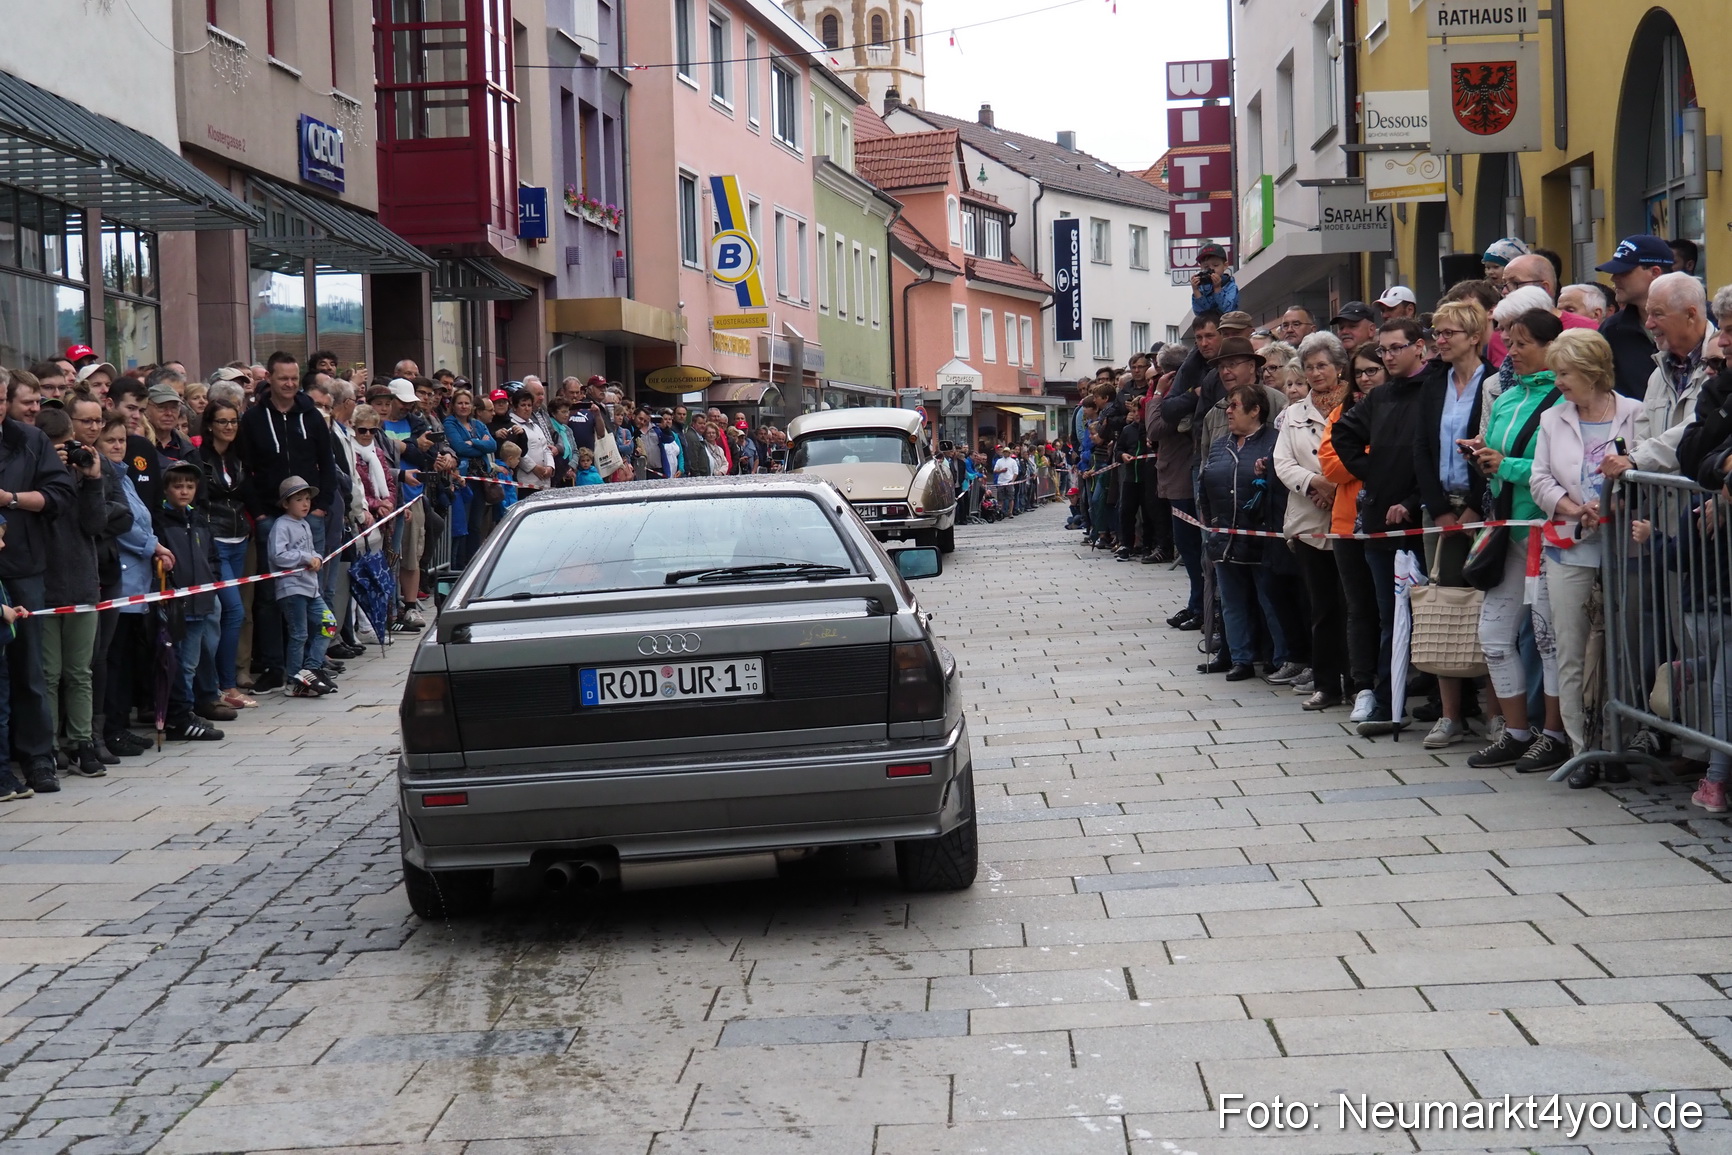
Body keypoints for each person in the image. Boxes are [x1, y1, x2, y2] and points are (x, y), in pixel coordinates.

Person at [1529, 329, 1642, 784]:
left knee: (1623, 647)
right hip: (1570, 547)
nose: (1558, 382)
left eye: (1565, 372)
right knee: (1571, 651)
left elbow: (1649, 467)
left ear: (1592, 371)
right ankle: (1583, 750)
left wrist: (1616, 505)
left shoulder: (1635, 413)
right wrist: (1575, 507)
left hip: (1626, 548)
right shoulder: (1553, 419)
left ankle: (1618, 743)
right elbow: (1539, 480)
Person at [1462, 307, 1567, 773]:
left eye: (1523, 342)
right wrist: (1481, 455)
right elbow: (1495, 451)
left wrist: (1503, 465)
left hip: (1548, 534)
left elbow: (1560, 469)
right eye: (1510, 340)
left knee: (1547, 639)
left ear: (1551, 347)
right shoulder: (1505, 397)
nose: (1513, 351)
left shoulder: (1565, 400)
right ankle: (1517, 731)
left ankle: (1555, 735)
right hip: (1505, 530)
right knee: (1494, 635)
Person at [1329, 319, 1432, 736]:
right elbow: (1343, 434)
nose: (1388, 357)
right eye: (1383, 350)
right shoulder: (1381, 396)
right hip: (1377, 524)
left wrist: (1409, 499)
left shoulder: (1435, 391)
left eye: (1395, 348)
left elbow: (1438, 457)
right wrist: (1376, 474)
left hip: (1425, 519)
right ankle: (1389, 703)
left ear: (1418, 347)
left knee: (1434, 615)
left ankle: (1446, 702)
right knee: (1392, 617)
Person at [1412, 298, 1496, 748]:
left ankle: (1495, 711)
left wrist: (1474, 511)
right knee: (1444, 607)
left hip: (1481, 506)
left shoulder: (1495, 383)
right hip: (1440, 507)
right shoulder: (1433, 383)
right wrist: (1441, 511)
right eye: (1436, 334)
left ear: (1474, 337)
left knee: (1488, 607)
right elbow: (1421, 449)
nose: (1439, 341)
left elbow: (1495, 446)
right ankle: (1450, 715)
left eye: (1448, 333)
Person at [237, 352, 341, 688]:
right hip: (270, 516)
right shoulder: (253, 419)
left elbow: (328, 462)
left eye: (295, 378)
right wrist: (260, 511)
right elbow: (245, 469)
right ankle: (274, 665)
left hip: (310, 516)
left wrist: (322, 505)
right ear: (270, 377)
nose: (290, 384)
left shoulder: (311, 416)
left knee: (314, 591)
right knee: (271, 596)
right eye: (284, 378)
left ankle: (313, 661)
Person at [0, 374, 76, 794]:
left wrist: (11, 498)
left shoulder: (30, 440)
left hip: (22, 564)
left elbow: (60, 495)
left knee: (29, 666)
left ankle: (37, 757)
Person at [1275, 333, 1351, 710]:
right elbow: (1283, 463)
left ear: (1339, 368)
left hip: (1349, 516)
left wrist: (1336, 488)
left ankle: (1357, 681)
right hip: (1308, 518)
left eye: (1323, 365)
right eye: (1309, 367)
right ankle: (1326, 684)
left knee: (1353, 605)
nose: (1316, 373)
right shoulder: (1292, 414)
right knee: (1321, 606)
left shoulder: (1355, 405)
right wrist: (1314, 484)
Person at [35, 408, 110, 777]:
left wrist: (91, 479)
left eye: (68, 447)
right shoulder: (35, 477)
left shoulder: (85, 474)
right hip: (46, 584)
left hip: (82, 581)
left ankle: (82, 742)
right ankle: (47, 745)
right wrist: (55, 474)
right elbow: (45, 515)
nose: (66, 453)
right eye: (57, 448)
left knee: (80, 671)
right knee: (49, 671)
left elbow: (96, 524)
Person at [1199, 384, 1286, 681]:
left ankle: (1281, 658)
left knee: (1270, 601)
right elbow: (1205, 485)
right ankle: (1240, 658)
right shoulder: (1219, 444)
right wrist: (1212, 523)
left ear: (1255, 410)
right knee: (1231, 602)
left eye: (1235, 405)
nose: (1229, 412)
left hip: (1262, 539)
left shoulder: (1275, 442)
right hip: (1225, 539)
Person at [154, 458, 229, 735]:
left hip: (202, 602)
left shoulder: (199, 521)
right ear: (166, 490)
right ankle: (180, 714)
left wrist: (213, 579)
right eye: (177, 487)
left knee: (192, 661)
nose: (184, 492)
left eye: (189, 486)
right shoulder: (160, 522)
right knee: (178, 661)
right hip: (176, 604)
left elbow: (211, 557)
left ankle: (189, 709)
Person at [195, 400, 254, 711]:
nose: (229, 427)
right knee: (231, 611)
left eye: (233, 421)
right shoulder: (200, 458)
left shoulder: (237, 457)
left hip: (239, 537)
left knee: (236, 613)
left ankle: (224, 683)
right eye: (222, 421)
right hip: (215, 540)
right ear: (209, 425)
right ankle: (224, 684)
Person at [271, 477, 336, 698]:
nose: (305, 504)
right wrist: (305, 558)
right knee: (299, 634)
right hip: (292, 588)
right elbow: (278, 556)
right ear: (285, 503)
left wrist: (315, 557)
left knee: (329, 624)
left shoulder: (305, 524)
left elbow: (313, 550)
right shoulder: (281, 525)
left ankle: (311, 670)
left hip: (311, 588)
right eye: (298, 499)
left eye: (307, 499)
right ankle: (294, 680)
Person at [1595, 235, 1675, 399]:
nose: (1613, 278)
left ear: (1655, 272)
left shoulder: (1706, 319)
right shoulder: (1612, 330)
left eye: (1623, 272)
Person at [1190, 242, 1238, 314]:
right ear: (1201, 268)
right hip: (1208, 323)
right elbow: (1200, 313)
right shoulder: (1202, 286)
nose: (1211, 270)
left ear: (1225, 265)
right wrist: (1196, 290)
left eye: (1215, 265)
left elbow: (1228, 310)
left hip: (1226, 323)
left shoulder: (1230, 286)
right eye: (1206, 267)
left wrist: (1217, 289)